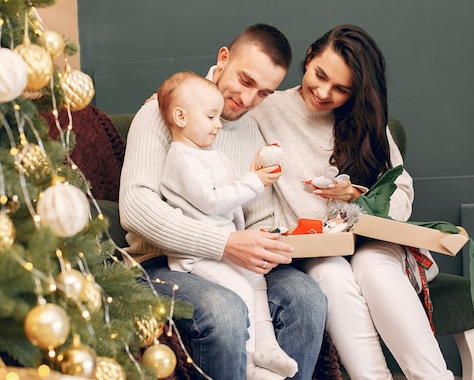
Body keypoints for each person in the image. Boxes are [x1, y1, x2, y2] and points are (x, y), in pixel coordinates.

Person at [119, 24, 327, 380]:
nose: (247, 100)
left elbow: (255, 211)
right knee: (225, 309)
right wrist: (225, 243)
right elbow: (136, 208)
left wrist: (266, 242)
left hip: (232, 259)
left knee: (307, 298)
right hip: (161, 263)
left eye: (263, 93)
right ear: (223, 58)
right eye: (245, 82)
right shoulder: (163, 113)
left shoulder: (250, 128)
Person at [248, 24, 454, 380]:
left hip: (376, 244)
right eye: (320, 75)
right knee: (331, 273)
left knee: (372, 265)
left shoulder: (366, 122)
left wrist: (358, 197)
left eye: (342, 89)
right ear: (309, 56)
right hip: (316, 252)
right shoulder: (268, 110)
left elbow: (401, 194)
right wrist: (170, 100)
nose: (324, 92)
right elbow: (220, 101)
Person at [157, 71, 298, 380]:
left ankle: (268, 347)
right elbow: (212, 201)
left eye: (218, 116)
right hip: (197, 255)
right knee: (238, 292)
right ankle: (247, 367)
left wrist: (251, 175)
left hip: (227, 243)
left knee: (256, 278)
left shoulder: (211, 155)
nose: (218, 124)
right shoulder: (180, 158)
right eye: (210, 117)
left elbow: (231, 195)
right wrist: (254, 182)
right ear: (180, 117)